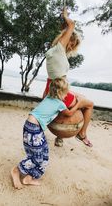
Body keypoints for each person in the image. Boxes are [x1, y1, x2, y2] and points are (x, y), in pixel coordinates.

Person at [43, 9, 94, 147]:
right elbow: (71, 25)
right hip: (60, 93)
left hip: (52, 88)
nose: (72, 46)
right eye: (72, 42)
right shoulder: (59, 48)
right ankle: (82, 134)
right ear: (67, 39)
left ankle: (59, 137)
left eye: (74, 45)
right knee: (89, 104)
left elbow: (51, 78)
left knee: (81, 96)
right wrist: (65, 15)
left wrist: (44, 96)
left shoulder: (54, 51)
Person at [11, 78, 69, 189]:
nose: (67, 95)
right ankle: (16, 170)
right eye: (66, 93)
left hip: (34, 127)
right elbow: (69, 113)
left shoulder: (48, 97)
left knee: (44, 155)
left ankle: (29, 177)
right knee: (37, 157)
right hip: (33, 128)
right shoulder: (60, 104)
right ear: (60, 92)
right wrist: (79, 103)